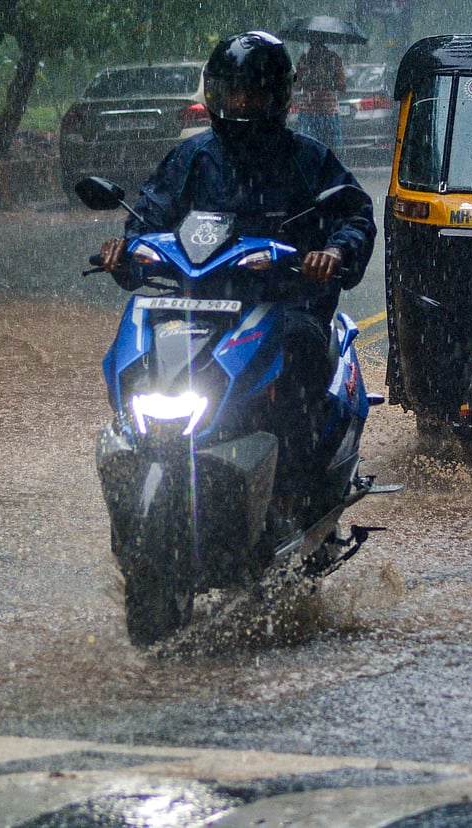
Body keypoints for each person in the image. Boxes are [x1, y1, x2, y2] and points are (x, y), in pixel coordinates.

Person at [99, 30, 376, 522]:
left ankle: (295, 490)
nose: (242, 103)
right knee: (139, 357)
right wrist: (126, 250)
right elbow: (149, 215)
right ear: (214, 92)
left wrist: (333, 252)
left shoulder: (309, 160)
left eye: (254, 92)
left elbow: (354, 214)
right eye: (232, 92)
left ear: (279, 97)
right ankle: (137, 457)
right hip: (200, 307)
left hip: (285, 306)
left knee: (302, 355)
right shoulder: (191, 158)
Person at [294, 41, 347, 149]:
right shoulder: (334, 59)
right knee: (333, 148)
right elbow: (342, 86)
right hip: (329, 110)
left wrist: (309, 80)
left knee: (307, 148)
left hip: (309, 109)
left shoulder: (304, 59)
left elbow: (297, 85)